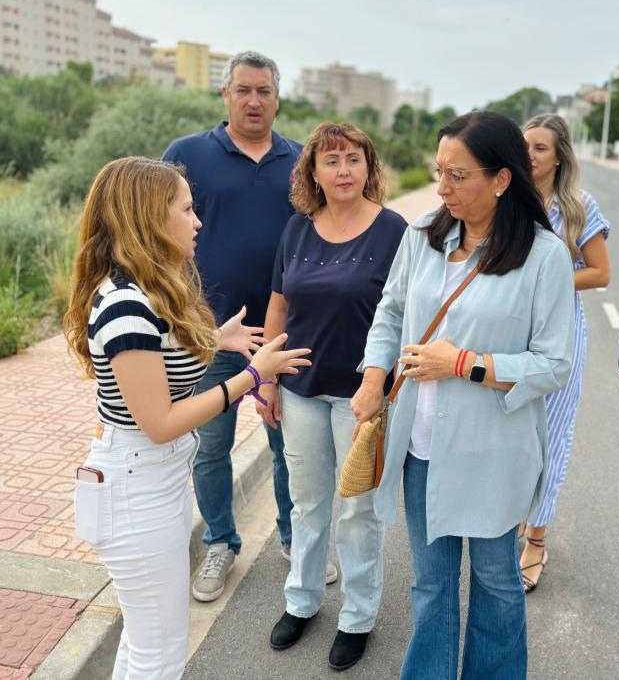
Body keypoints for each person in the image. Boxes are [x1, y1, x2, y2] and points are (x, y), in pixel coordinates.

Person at [66, 157, 311, 679]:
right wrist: (251, 377)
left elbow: (160, 360)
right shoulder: (127, 305)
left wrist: (213, 339)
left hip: (152, 480)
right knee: (160, 656)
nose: (198, 221)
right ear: (150, 219)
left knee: (145, 641)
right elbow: (161, 421)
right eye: (186, 209)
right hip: (136, 487)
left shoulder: (146, 291)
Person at [353, 111, 576, 680]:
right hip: (421, 448)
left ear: (502, 179)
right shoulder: (423, 235)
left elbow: (554, 365)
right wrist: (374, 377)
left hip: (493, 450)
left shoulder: (543, 256)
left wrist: (464, 364)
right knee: (431, 584)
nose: (442, 188)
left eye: (458, 175)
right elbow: (392, 312)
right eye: (438, 172)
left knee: (497, 582)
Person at [162, 51, 335, 602]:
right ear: (226, 96)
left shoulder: (301, 161)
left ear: (278, 97)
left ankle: (294, 540)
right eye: (243, 90)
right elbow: (156, 231)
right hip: (208, 335)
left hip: (285, 335)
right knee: (210, 446)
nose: (254, 100)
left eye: (264, 90)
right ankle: (219, 543)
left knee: (290, 445)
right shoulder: (186, 155)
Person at [261, 123, 407, 671]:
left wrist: (387, 384)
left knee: (357, 509)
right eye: (330, 160)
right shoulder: (297, 230)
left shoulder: (395, 232)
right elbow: (278, 307)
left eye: (352, 159)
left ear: (369, 168)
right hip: (298, 388)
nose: (342, 170)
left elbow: (403, 316)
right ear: (313, 172)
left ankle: (358, 616)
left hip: (361, 397)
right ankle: (302, 600)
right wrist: (267, 379)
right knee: (308, 503)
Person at [518, 114, 610, 592]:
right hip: (509, 333)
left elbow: (600, 273)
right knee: (510, 428)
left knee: (549, 434)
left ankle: (536, 537)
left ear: (558, 156)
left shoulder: (577, 206)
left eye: (539, 147)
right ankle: (513, 514)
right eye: (524, 145)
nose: (529, 154)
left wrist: (545, 284)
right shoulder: (505, 200)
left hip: (559, 334)